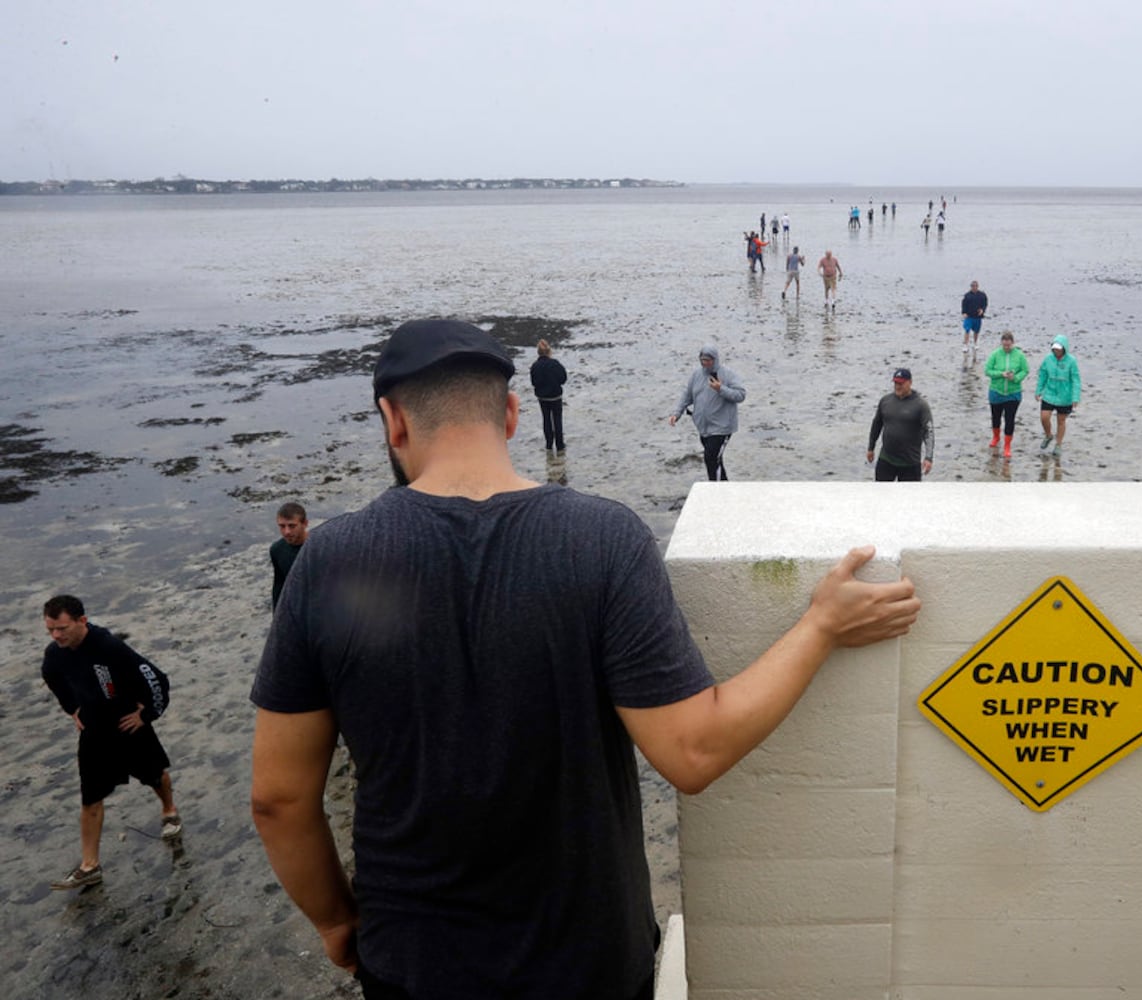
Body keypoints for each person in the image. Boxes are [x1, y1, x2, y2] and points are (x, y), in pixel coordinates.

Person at [250, 318, 920, 1000]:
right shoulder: (601, 539)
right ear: (512, 414)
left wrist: (335, 920)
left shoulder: (327, 562)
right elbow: (694, 752)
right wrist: (821, 626)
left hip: (412, 963)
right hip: (587, 961)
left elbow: (278, 799)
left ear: (393, 422)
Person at [42, 594, 180, 891]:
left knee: (154, 775)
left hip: (127, 723)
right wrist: (72, 709)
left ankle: (169, 810)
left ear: (82, 621)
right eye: (50, 630)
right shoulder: (55, 653)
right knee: (90, 798)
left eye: (62, 628)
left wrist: (149, 714)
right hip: (93, 730)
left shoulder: (110, 647)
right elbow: (51, 676)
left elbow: (156, 678)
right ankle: (90, 865)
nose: (56, 636)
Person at [668, 345, 746, 481]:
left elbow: (741, 395)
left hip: (723, 427)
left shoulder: (728, 374)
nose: (705, 363)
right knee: (715, 459)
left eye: (708, 360)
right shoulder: (696, 375)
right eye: (702, 360)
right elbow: (687, 395)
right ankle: (725, 488)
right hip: (704, 427)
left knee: (710, 458)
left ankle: (714, 490)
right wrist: (677, 413)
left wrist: (720, 388)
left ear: (715, 360)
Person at [867, 368, 935, 482]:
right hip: (886, 460)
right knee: (880, 496)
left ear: (910, 383)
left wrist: (928, 458)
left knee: (908, 499)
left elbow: (929, 432)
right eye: (895, 383)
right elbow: (876, 425)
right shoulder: (885, 401)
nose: (897, 386)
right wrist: (871, 447)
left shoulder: (921, 405)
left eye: (901, 383)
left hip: (910, 463)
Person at [1036, 334, 1082, 458]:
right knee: (1044, 417)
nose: (1056, 351)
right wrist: (1039, 390)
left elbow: (1076, 380)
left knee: (1061, 421)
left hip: (1064, 396)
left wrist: (1075, 397)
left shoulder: (1071, 361)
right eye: (1054, 348)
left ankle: (1058, 444)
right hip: (1049, 393)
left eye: (1058, 349)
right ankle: (1048, 435)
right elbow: (1043, 375)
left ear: (1064, 348)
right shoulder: (1048, 359)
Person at [984, 332, 1029, 458]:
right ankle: (996, 437)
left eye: (1009, 345)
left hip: (1013, 393)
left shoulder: (1019, 355)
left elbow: (1025, 370)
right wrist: (1000, 374)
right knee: (995, 417)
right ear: (1001, 343)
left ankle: (1007, 445)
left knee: (1010, 419)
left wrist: (1015, 377)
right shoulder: (995, 354)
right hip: (996, 392)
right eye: (1004, 345)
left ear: (1012, 343)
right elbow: (987, 370)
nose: (1007, 347)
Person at [530, 338, 568, 453]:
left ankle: (549, 445)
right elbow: (563, 379)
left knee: (546, 419)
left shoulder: (535, 366)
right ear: (549, 351)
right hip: (556, 396)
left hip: (542, 397)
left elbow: (534, 382)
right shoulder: (555, 364)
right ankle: (560, 445)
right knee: (557, 420)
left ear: (538, 352)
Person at [270, 501, 308, 609]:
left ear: (305, 524)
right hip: (295, 606)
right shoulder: (276, 550)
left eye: (292, 526)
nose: (287, 532)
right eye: (282, 526)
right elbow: (279, 584)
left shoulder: (318, 547)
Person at [961, 280, 988, 356]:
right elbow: (963, 304)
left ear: (977, 286)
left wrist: (982, 310)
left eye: (975, 286)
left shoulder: (982, 295)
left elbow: (985, 304)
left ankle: (975, 343)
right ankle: (965, 345)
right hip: (969, 316)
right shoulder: (967, 295)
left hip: (977, 316)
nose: (974, 287)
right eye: (972, 286)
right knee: (967, 330)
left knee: (976, 331)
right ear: (971, 287)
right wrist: (964, 313)